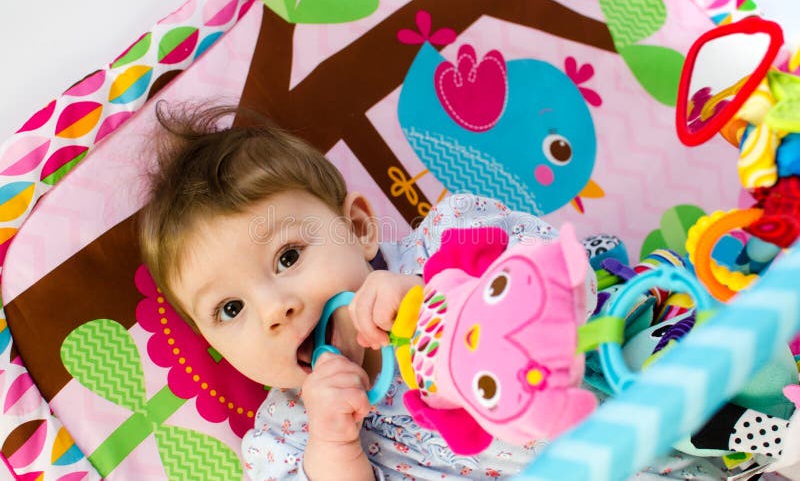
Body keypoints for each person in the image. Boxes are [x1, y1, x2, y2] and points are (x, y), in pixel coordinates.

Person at [139, 103, 737, 481]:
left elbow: (558, 274)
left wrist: (441, 291)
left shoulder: (448, 241)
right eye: (230, 309)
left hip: (659, 401)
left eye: (289, 257)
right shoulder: (286, 440)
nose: (276, 308)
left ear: (359, 227)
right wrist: (334, 445)